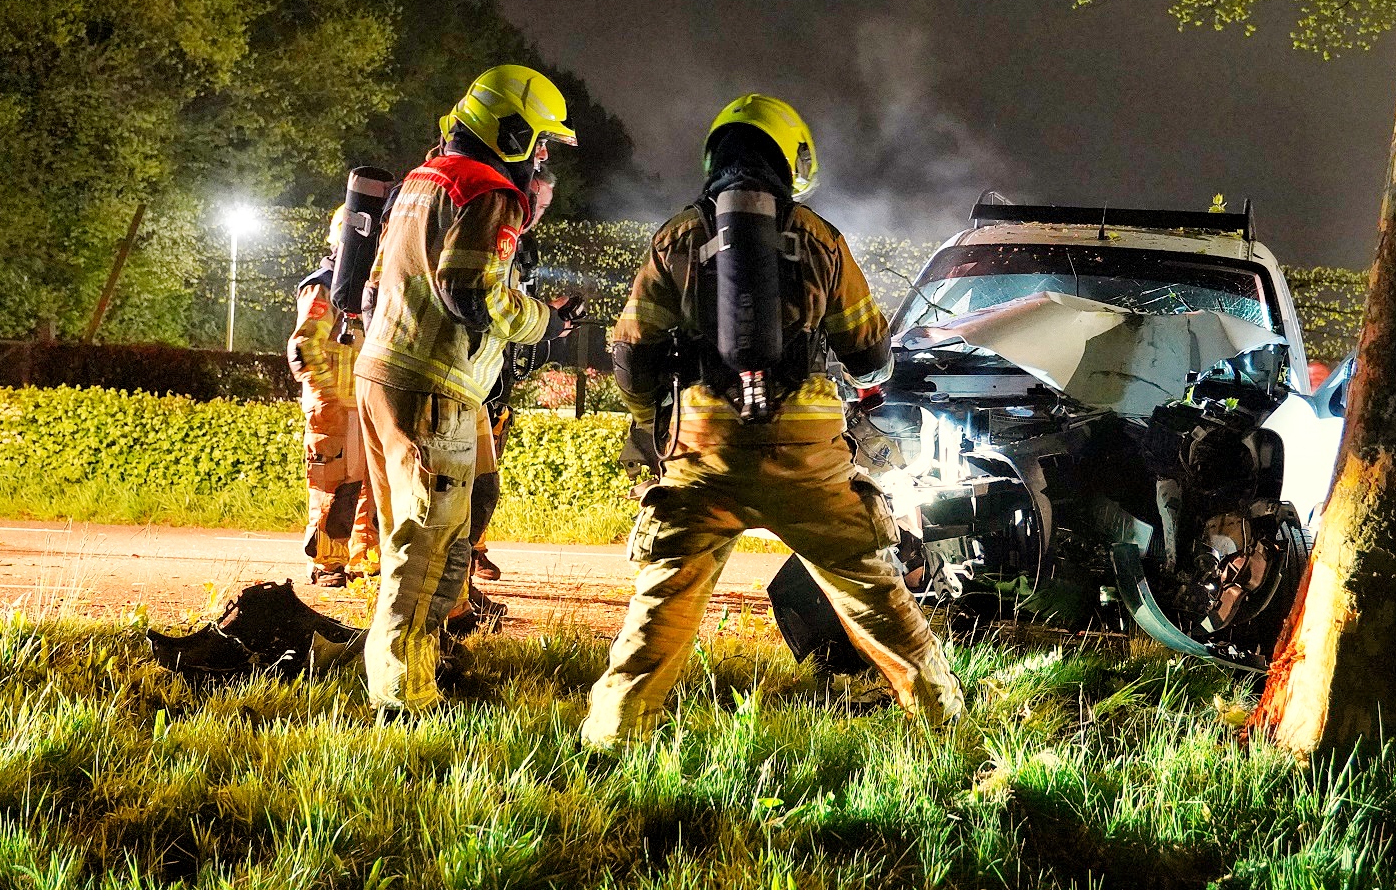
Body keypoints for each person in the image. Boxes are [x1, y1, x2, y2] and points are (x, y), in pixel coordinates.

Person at [582, 93, 963, 746]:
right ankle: (943, 722)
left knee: (661, 603)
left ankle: (613, 737)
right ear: (791, 159)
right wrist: (855, 381)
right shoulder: (821, 239)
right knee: (873, 590)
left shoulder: (676, 238)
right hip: (806, 454)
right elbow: (871, 355)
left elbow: (632, 358)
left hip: (704, 450)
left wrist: (658, 427)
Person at [354, 65, 581, 714]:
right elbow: (471, 292)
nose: (542, 160)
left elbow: (375, 286)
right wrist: (544, 322)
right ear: (512, 133)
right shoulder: (489, 191)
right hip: (433, 389)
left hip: (383, 375)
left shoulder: (421, 180)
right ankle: (404, 703)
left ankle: (411, 669)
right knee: (426, 555)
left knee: (416, 539)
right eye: (541, 143)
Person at [286, 207, 378, 585]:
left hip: (367, 404)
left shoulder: (370, 289)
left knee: (371, 489)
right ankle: (327, 563)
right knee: (334, 487)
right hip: (334, 406)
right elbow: (304, 345)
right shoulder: (324, 285)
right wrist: (325, 396)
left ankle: (366, 559)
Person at [469, 172, 553, 584]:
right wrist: (547, 320)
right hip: (469, 375)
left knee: (483, 477)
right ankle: (462, 566)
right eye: (536, 202)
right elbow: (487, 302)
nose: (537, 213)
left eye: (545, 207)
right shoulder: (490, 229)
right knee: (467, 481)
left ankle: (471, 554)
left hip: (493, 373)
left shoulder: (524, 247)